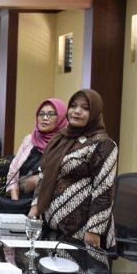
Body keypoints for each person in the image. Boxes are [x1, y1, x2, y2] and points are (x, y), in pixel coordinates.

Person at [30, 88, 118, 248]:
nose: (77, 111)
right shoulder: (60, 138)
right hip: (52, 231)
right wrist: (35, 206)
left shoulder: (103, 144)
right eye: (73, 106)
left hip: (83, 234)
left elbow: (104, 189)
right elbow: (44, 175)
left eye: (85, 108)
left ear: (95, 113)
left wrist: (94, 230)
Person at [6, 98, 67, 199]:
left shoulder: (65, 143)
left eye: (51, 114)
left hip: (51, 202)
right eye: (41, 114)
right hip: (21, 200)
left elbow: (65, 177)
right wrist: (15, 202)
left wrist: (38, 181)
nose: (45, 118)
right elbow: (13, 171)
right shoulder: (29, 140)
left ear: (61, 118)